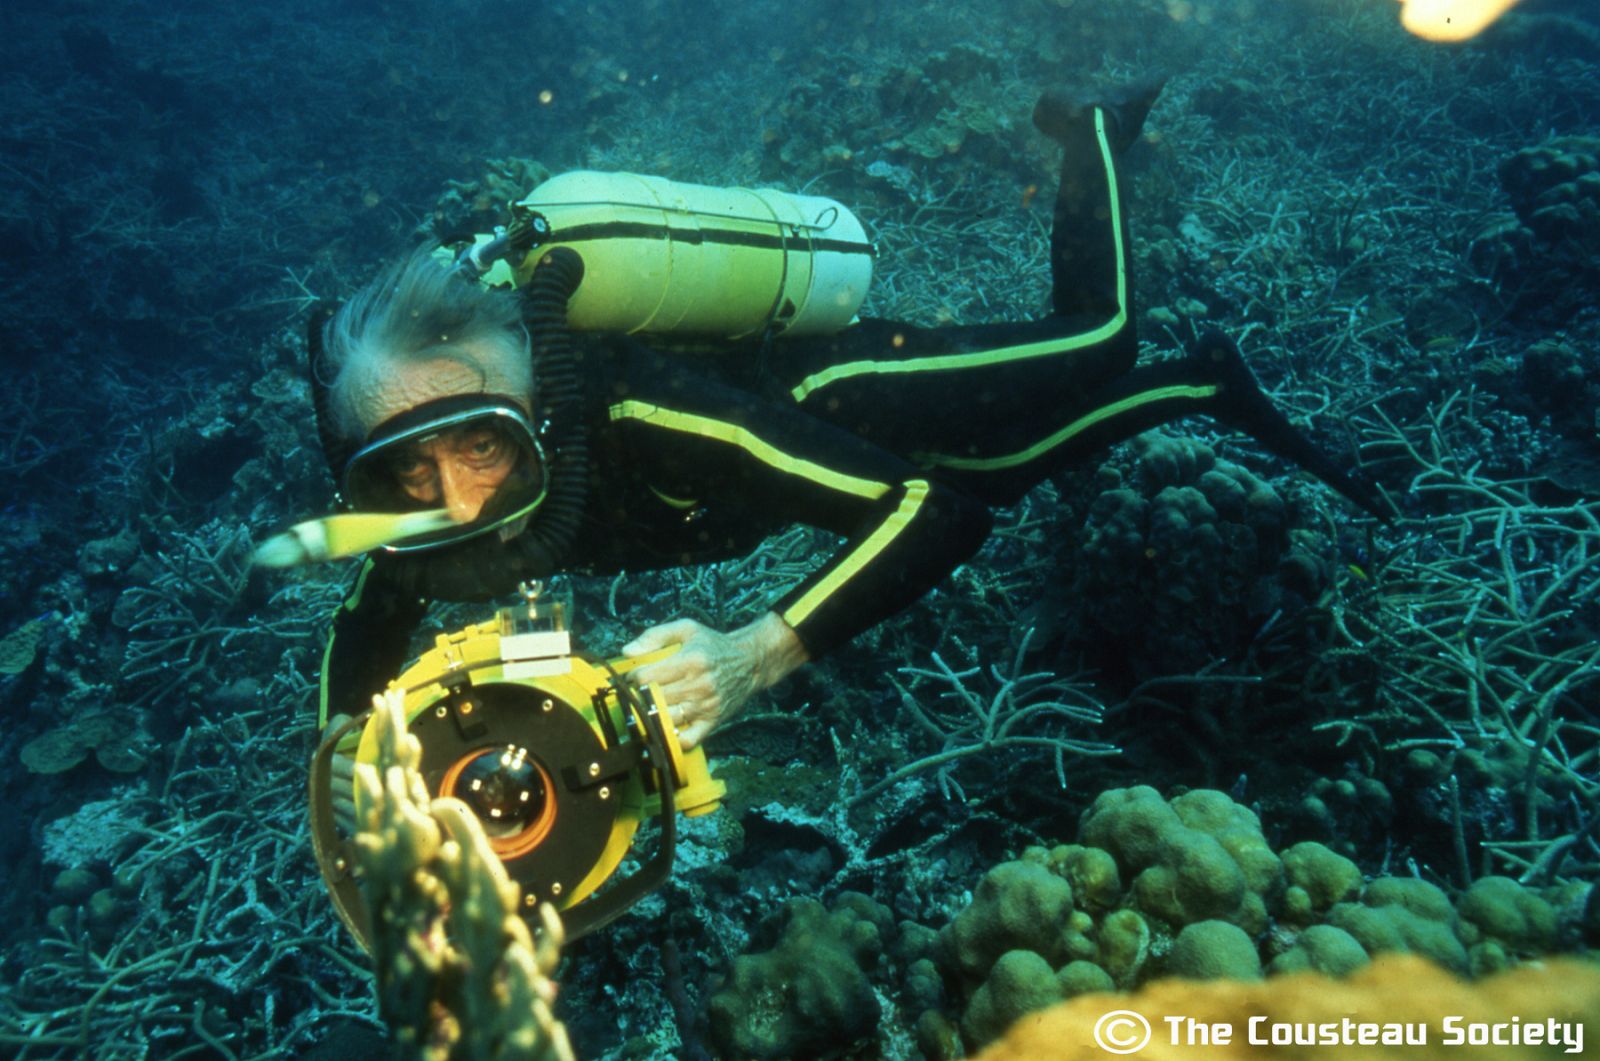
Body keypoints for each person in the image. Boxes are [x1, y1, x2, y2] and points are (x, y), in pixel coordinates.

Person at [309, 83, 1383, 760]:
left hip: (837, 388)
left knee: (1092, 339)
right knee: (1007, 467)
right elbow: (369, 610)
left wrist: (754, 653)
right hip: (781, 475)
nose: (456, 499)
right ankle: (1202, 382)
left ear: (533, 406)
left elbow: (933, 516)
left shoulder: (648, 417)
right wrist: (345, 754)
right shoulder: (419, 530)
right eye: (406, 471)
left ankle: (1090, 123)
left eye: (484, 441)